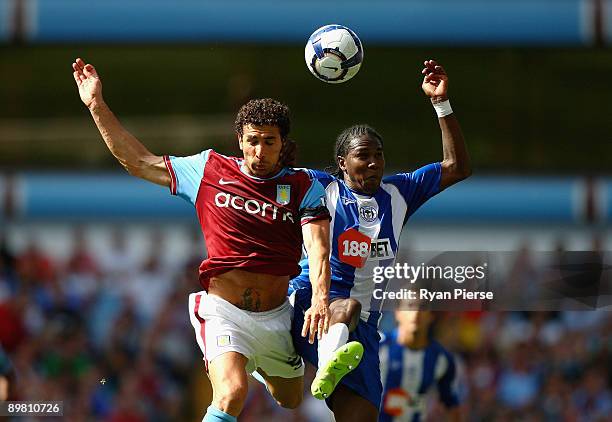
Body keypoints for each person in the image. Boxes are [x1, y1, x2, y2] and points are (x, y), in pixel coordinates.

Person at [71, 58, 334, 422]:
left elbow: (319, 248)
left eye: (269, 142)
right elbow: (139, 162)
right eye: (252, 141)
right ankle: (241, 358)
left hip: (276, 314)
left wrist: (320, 298)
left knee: (290, 398)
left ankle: (254, 360)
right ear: (240, 140)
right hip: (223, 311)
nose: (259, 151)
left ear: (282, 143)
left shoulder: (303, 186)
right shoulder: (209, 169)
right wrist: (96, 105)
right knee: (231, 395)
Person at [289, 59, 471, 421]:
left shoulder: (400, 192)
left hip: (365, 330)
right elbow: (265, 178)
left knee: (363, 415)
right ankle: (324, 361)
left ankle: (331, 362)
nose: (373, 163)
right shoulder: (320, 188)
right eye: (362, 156)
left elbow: (457, 167)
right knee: (347, 307)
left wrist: (442, 104)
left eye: (378, 155)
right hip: (313, 304)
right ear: (342, 163)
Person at [379, 310, 462, 422]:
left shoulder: (442, 359)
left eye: (422, 308)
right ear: (398, 312)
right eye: (409, 307)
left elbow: (452, 405)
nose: (416, 313)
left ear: (431, 315)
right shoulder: (378, 345)